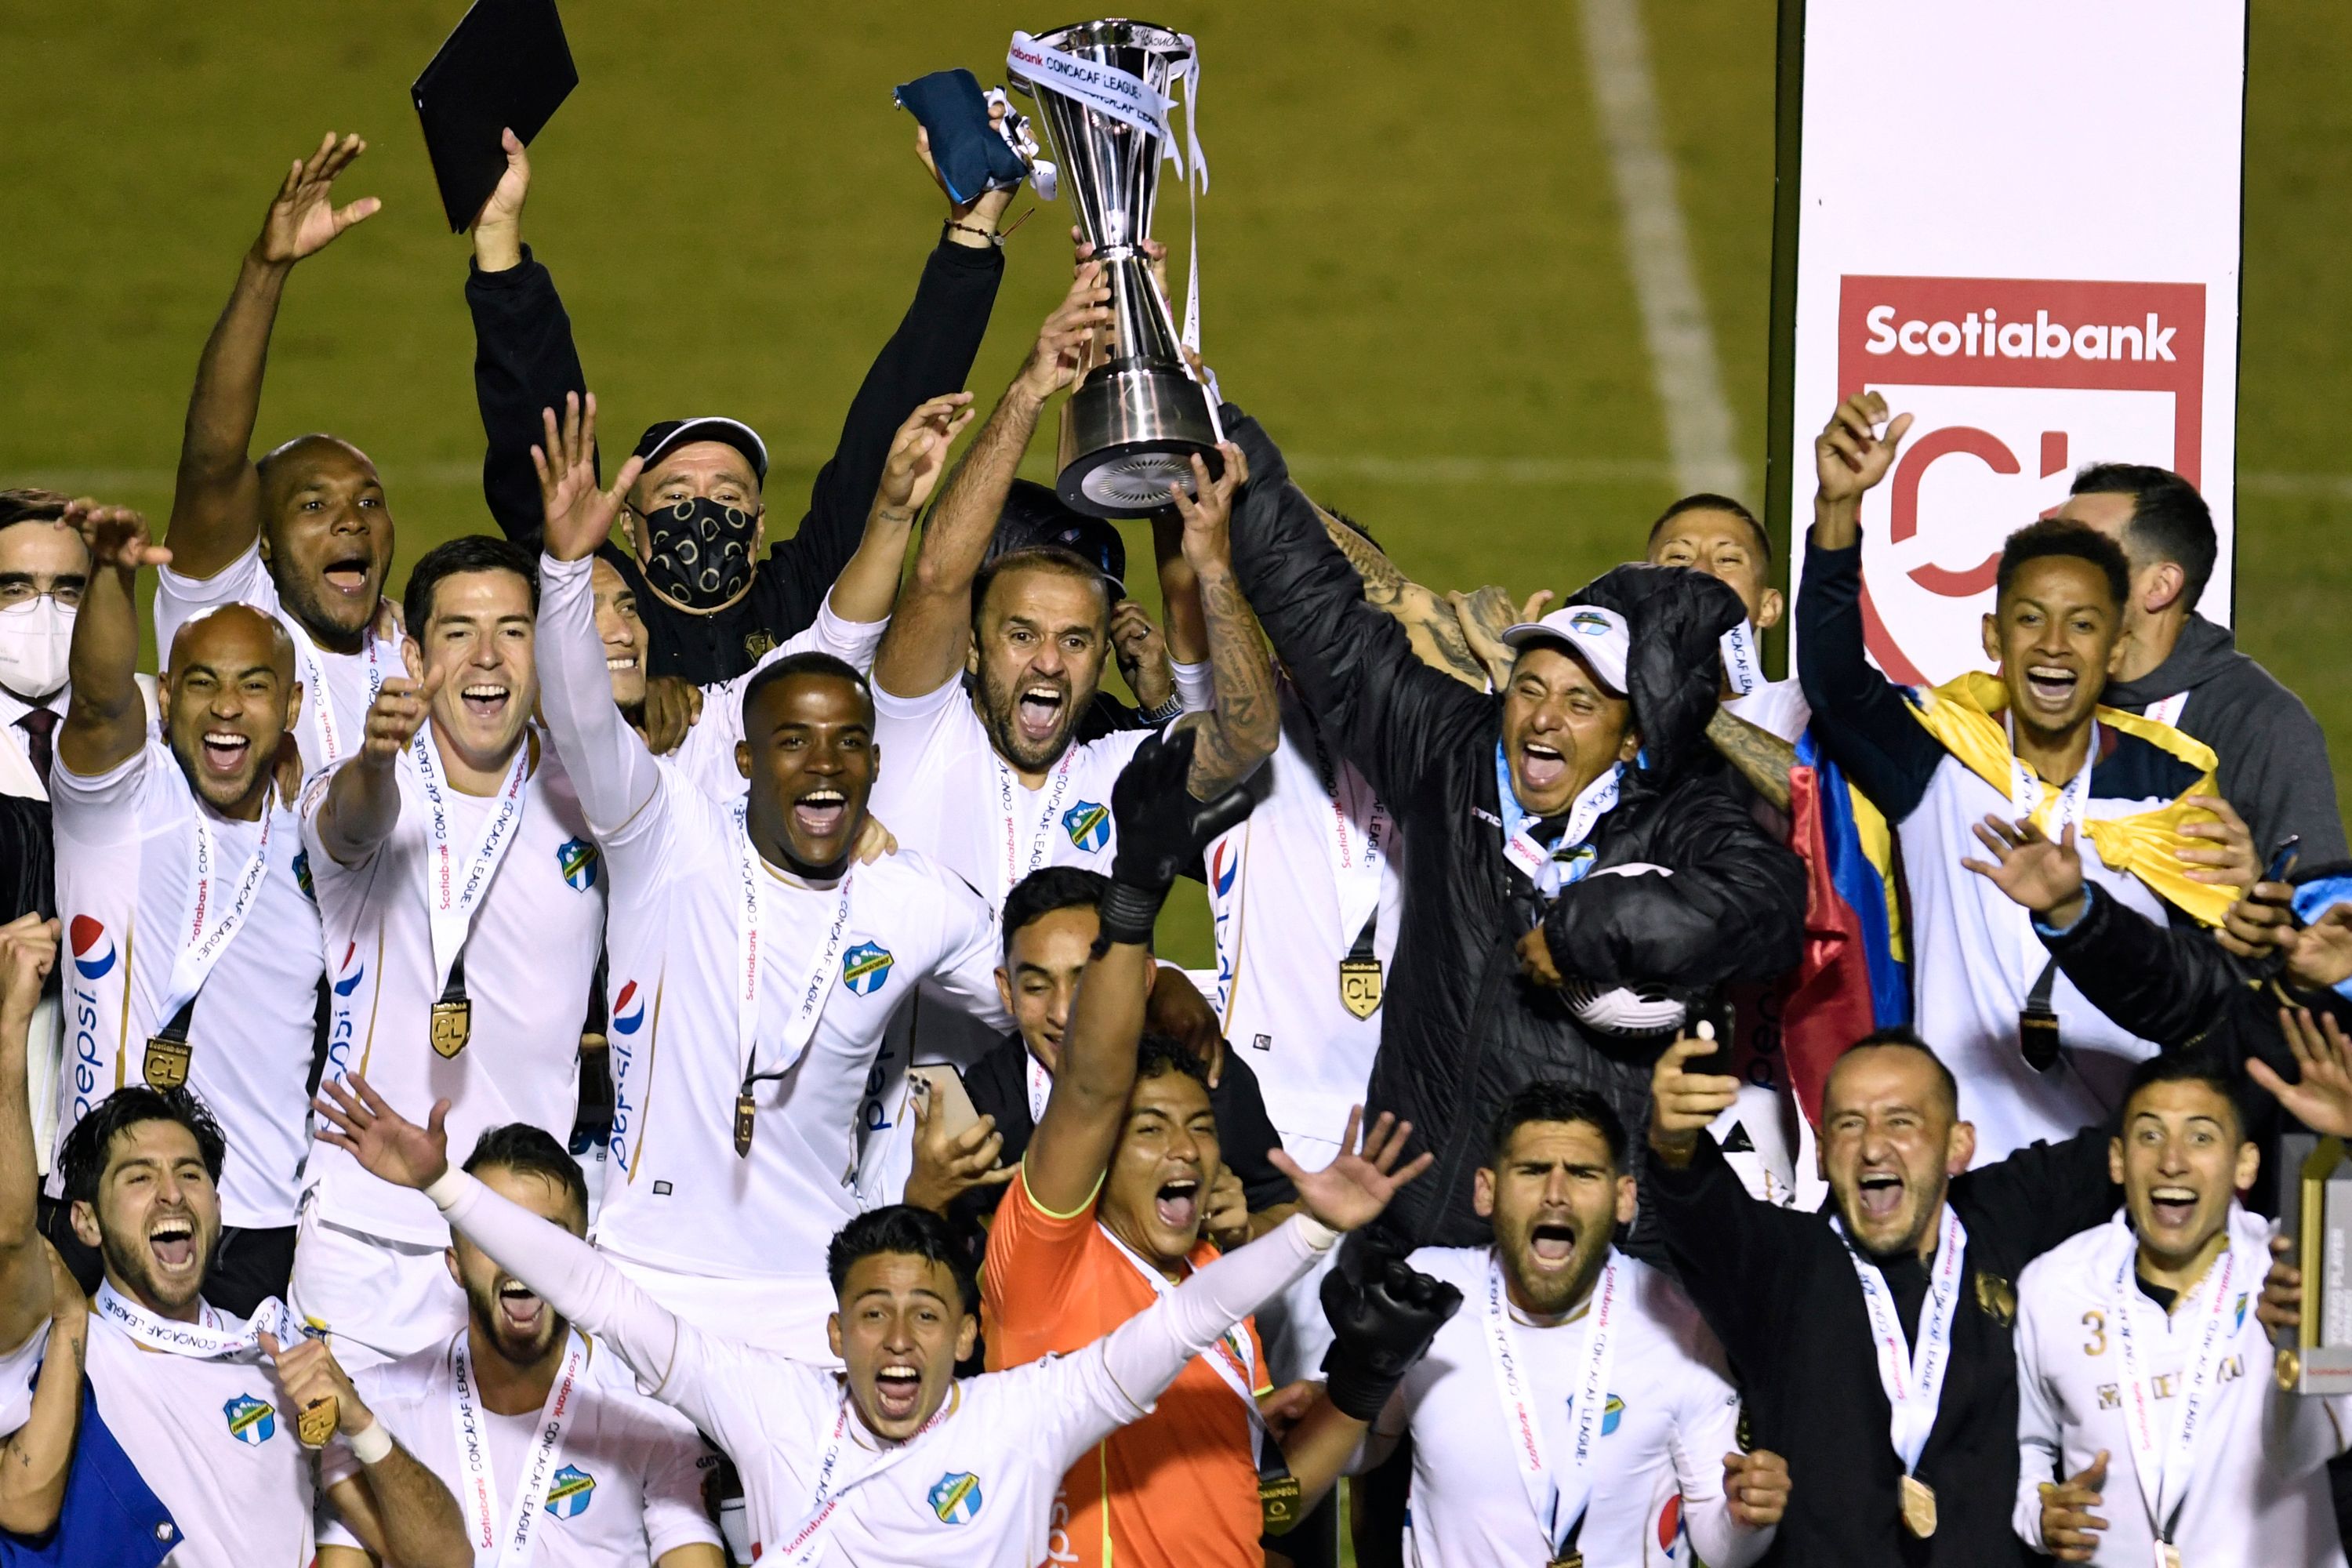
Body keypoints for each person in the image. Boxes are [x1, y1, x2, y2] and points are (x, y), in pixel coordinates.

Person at [310, 1051, 1427, 1566]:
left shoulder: (1026, 1416)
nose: (900, 1338)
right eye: (874, 1315)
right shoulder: (770, 1404)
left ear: (968, 1336)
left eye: (927, 1314)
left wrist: (1316, 1229)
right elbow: (599, 1294)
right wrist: (442, 1190)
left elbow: (1181, 1323)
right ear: (835, 1335)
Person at [1223, 407, 1805, 1253]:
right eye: (1531, 687)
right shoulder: (1454, 752)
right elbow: (1332, 629)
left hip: (1597, 1248)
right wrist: (1229, 437)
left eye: (1581, 703)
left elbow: (1769, 908)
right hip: (1424, 1224)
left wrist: (1585, 929)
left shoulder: (1679, 809)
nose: (1545, 719)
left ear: (1630, 732)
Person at [528, 392, 1007, 1359]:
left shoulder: (914, 900)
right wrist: (566, 573)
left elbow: (1040, 1000)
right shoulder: (668, 838)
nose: (822, 765)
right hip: (644, 1289)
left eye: (847, 745)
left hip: (808, 1299)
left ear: (876, 764)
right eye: (792, 742)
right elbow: (580, 719)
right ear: (746, 760)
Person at [980, 724, 1439, 1568]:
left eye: (1196, 1125)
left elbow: (1261, 1505)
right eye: (1149, 1129)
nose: (1184, 1148)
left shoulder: (1216, 1286)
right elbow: (1088, 1085)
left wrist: (1362, 1384)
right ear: (1098, 1154)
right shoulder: (1042, 1264)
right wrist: (1134, 897)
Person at [1797, 392, 2248, 1159]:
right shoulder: (1939, 759)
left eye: (2082, 624)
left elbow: (2210, 984)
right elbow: (1836, 680)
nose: (2054, 646)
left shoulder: (2172, 783)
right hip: (1966, 1167)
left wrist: (2258, 886)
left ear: (2115, 649)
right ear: (1993, 637)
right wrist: (1839, 511)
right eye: (2030, 618)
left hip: (2115, 1169)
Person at [465, 110, 1007, 684]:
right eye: (675, 494)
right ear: (626, 524)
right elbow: (545, 437)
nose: (702, 514)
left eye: (728, 497)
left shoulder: (807, 598)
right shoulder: (601, 605)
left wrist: (971, 239)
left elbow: (885, 440)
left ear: (760, 522)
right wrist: (499, 241)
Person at [867, 263, 1278, 929]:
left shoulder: (1119, 770)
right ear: (972, 646)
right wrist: (1032, 390)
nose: (1051, 662)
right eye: (1023, 634)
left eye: (1077, 639)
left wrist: (1164, 389)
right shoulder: (916, 734)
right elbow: (938, 576)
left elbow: (1248, 731)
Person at [1643, 1023, 2147, 1565]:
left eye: (1901, 1121)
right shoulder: (1782, 1267)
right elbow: (1704, 1211)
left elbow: (2148, 1139)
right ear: (1821, 1154)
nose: (1874, 1146)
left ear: (1959, 1145)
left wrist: (2239, 1017)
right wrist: (1675, 1144)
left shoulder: (2010, 1215)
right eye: (1849, 1125)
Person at [296, 535, 604, 1370]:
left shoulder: (595, 796)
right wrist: (374, 757)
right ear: (413, 652)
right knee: (348, 1491)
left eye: (512, 629)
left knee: (506, 1495)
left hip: (521, 1238)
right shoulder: (360, 782)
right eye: (459, 631)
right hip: (367, 1233)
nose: (487, 656)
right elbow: (352, 823)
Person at [41, 502, 321, 1313]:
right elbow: (95, 703)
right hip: (101, 1215)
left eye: (254, 685)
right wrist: (111, 579)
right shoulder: (120, 801)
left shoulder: (319, 831)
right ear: (166, 695)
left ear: (292, 708)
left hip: (259, 1224)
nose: (227, 706)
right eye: (202, 683)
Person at [1353, 1081, 1789, 1567]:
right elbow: (1363, 1450)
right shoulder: (1429, 1289)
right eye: (1533, 1170)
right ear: (1486, 1191)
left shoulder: (1680, 1320)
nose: (1555, 1195)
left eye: (1583, 1173)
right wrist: (1334, 1401)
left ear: (1624, 1199)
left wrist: (1748, 1517)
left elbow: (1722, 1548)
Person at [55, 1085, 464, 1566]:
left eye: (190, 1174)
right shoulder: (68, 1354)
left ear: (218, 1207)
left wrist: (360, 1422)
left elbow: (443, 1561)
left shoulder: (275, 1351)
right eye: (140, 1178)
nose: (172, 1194)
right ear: (87, 1222)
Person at [317, 1123, 722, 1568]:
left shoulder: (653, 1416)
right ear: (455, 1263)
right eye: (493, 1236)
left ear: (585, 1262)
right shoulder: (376, 1407)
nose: (521, 1258)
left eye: (545, 1235)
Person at [2012, 1053, 2347, 1567]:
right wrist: (2039, 1512)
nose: (2173, 1160)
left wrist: (2304, 1343)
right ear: (2118, 1160)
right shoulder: (2053, 1285)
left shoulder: (2290, 1271)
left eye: (2201, 1137)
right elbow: (2028, 1443)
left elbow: (2321, 1436)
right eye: (2150, 1136)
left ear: (2245, 1163)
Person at [154, 135, 405, 779]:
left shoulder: (419, 651)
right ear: (262, 542)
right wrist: (266, 271)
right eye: (314, 504)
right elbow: (212, 461)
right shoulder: (229, 615)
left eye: (369, 501)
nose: (352, 520)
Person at [934, 866, 1295, 1252]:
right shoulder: (984, 1102)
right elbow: (949, 1271)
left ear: (1142, 979)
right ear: (1007, 991)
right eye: (1037, 987)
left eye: (1086, 982)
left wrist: (1247, 1232)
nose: (1063, 1013)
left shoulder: (1201, 1076)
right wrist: (928, 1195)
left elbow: (1286, 1210)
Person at [2060, 463, 2346, 867]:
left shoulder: (2258, 723)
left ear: (2159, 587)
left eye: (2081, 556)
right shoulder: (2032, 694)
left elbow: (2319, 915)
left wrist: (2252, 893)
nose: (2048, 572)